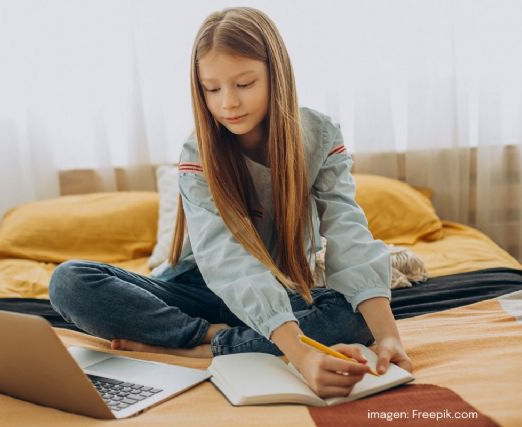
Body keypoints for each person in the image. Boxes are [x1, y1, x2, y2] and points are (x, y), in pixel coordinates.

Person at [49, 6, 413, 398]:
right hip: (196, 294)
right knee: (70, 282)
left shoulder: (319, 136)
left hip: (282, 290)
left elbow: (347, 232)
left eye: (244, 84)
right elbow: (224, 258)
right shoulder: (198, 152)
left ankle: (193, 349)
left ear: (277, 76)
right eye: (212, 89)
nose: (228, 104)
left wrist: (389, 337)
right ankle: (208, 340)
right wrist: (300, 352)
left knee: (356, 315)